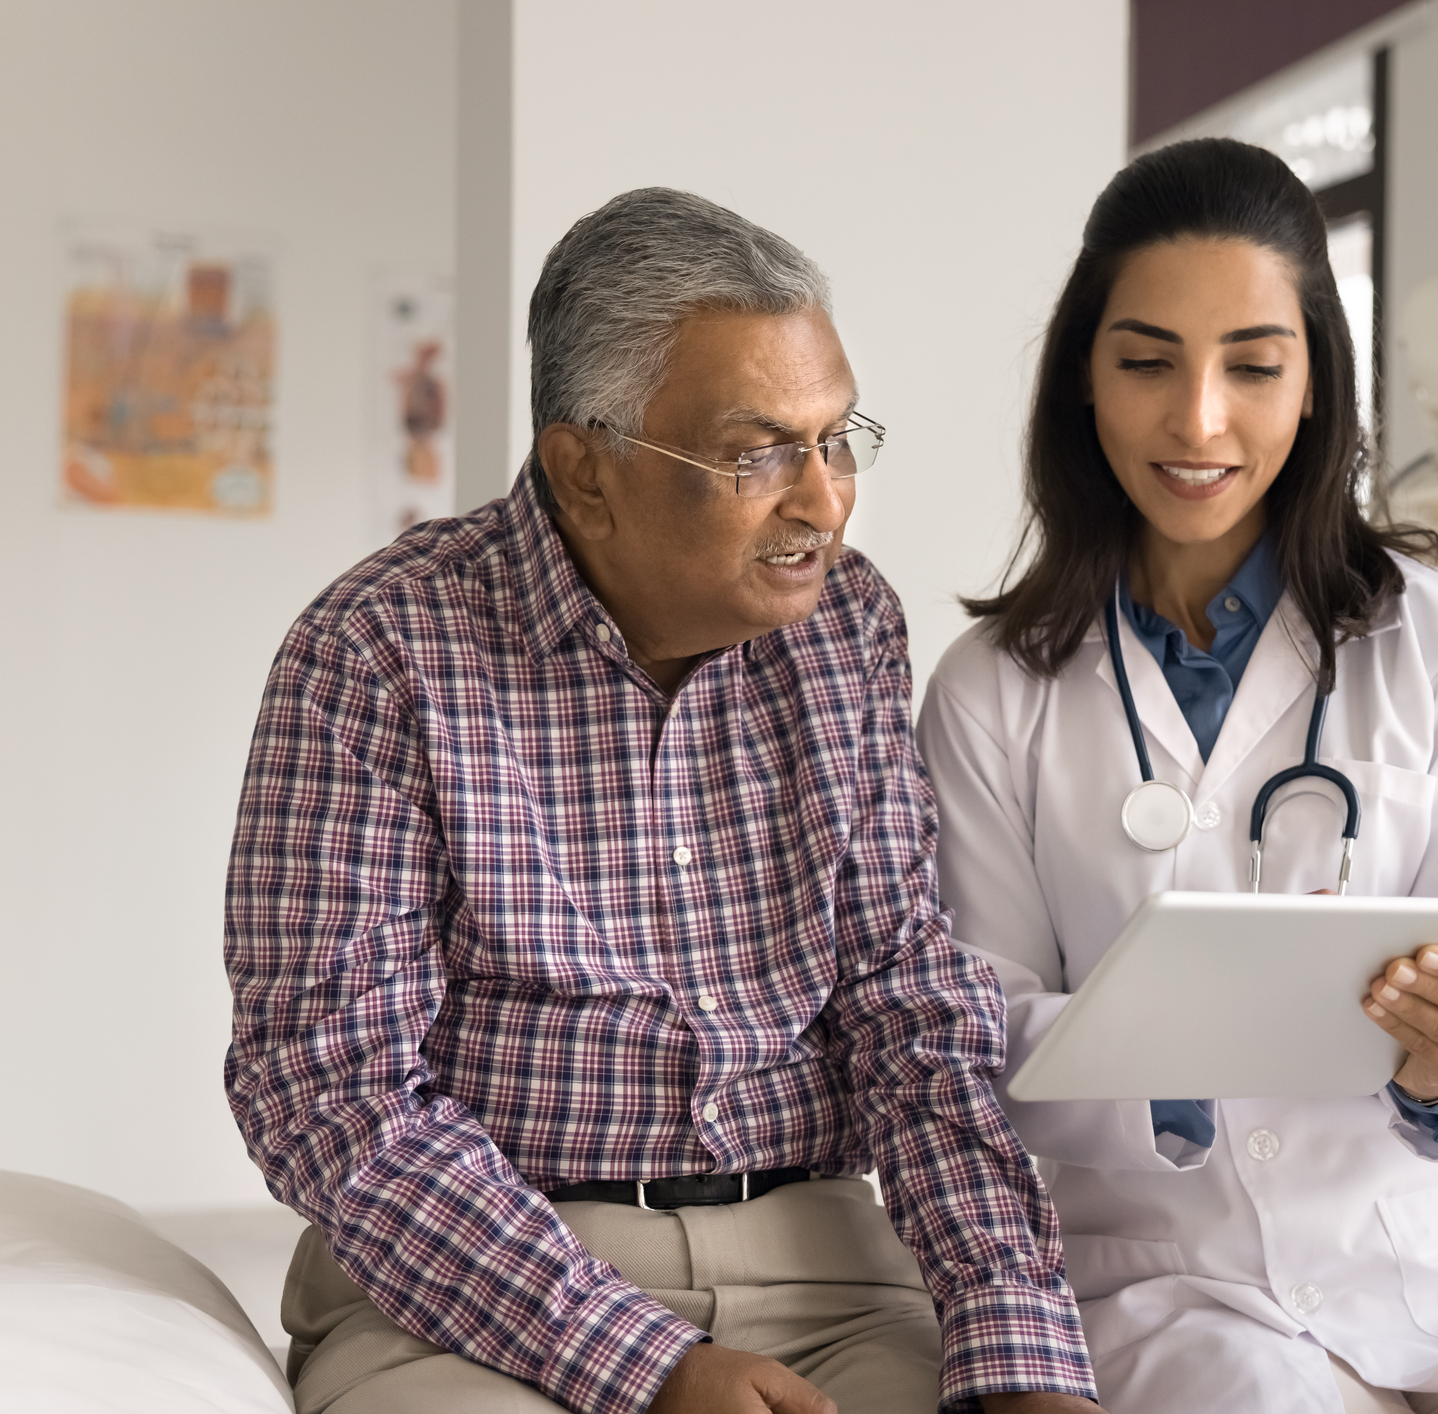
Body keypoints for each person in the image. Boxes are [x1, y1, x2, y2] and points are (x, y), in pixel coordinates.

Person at [224, 188, 1100, 1414]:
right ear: (585, 471)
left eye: (837, 438)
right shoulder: (380, 649)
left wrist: (1019, 1349)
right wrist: (647, 1366)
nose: (824, 500)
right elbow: (329, 1089)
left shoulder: (846, 625)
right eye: (758, 453)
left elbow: (908, 1006)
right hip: (478, 1285)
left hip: (826, 1276)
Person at [915, 139, 1438, 1414]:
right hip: (1171, 1278)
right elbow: (974, 1036)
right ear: (1082, 376)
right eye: (1145, 362)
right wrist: (1178, 1044)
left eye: (1251, 364)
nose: (1197, 421)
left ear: (1313, 381)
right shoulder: (990, 688)